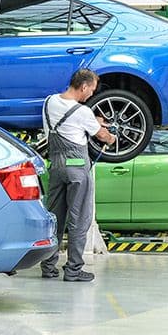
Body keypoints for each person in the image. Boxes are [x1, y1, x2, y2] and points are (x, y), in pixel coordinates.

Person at [40, 69, 118, 282]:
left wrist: (95, 120)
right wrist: (110, 138)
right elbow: (100, 134)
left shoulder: (50, 102)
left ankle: (48, 266)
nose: (91, 95)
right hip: (77, 169)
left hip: (56, 167)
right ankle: (73, 269)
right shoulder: (82, 112)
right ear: (83, 87)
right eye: (91, 90)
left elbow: (70, 122)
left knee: (55, 219)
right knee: (79, 220)